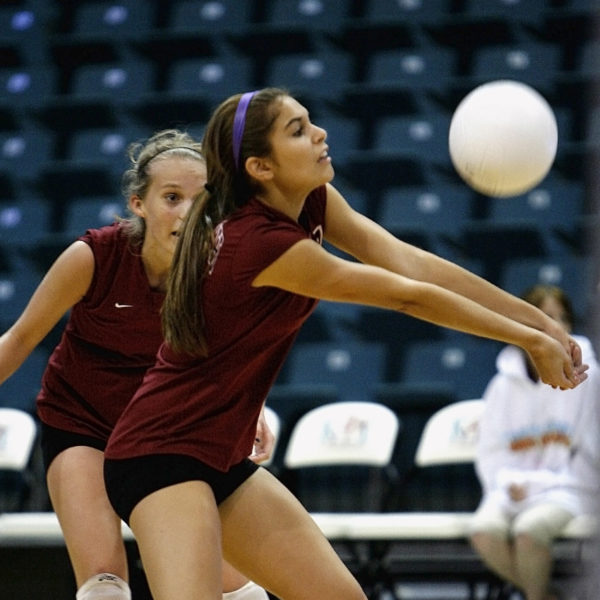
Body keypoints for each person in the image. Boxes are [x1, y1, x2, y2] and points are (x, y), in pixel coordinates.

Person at [103, 88, 587, 600]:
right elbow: (407, 297)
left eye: (309, 121)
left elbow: (410, 262)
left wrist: (536, 319)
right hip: (159, 455)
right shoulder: (260, 243)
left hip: (220, 457)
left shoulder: (312, 199)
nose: (320, 133)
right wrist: (525, 339)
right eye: (297, 130)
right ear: (261, 167)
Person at [0, 129, 270, 600]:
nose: (188, 211)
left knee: (236, 588)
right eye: (171, 197)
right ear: (138, 204)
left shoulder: (220, 274)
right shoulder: (93, 256)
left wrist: (255, 410)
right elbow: (20, 338)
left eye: (202, 198)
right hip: (82, 425)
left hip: (165, 437)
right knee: (105, 586)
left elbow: (231, 361)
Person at [469, 284, 600, 600]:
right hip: (511, 487)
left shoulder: (590, 377)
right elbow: (489, 451)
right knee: (484, 532)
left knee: (528, 532)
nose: (556, 328)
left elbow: (589, 454)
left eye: (562, 319)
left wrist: (538, 484)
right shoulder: (502, 384)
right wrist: (509, 482)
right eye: (545, 318)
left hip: (569, 488)